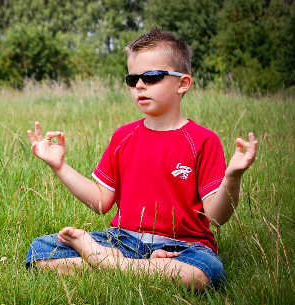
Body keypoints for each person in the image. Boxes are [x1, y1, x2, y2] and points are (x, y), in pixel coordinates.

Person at [24, 28, 258, 291]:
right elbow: (102, 201)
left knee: (205, 273)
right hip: (123, 240)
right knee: (41, 250)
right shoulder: (123, 137)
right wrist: (59, 166)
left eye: (152, 76)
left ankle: (106, 264)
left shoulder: (203, 140)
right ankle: (131, 267)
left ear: (183, 83)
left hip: (183, 247)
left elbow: (216, 218)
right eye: (132, 79)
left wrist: (233, 177)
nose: (139, 86)